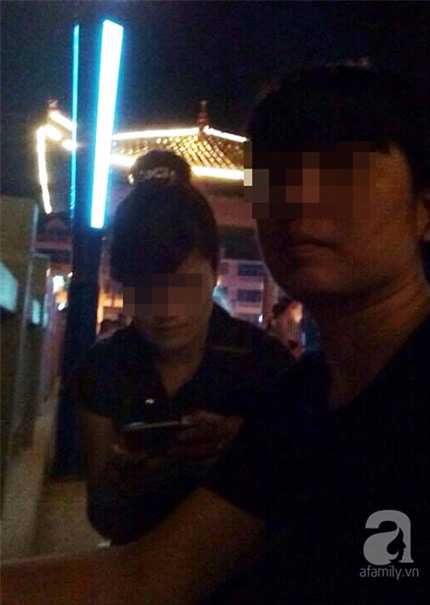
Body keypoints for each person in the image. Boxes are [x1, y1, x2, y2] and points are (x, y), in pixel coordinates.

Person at [3, 64, 430, 605]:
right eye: (274, 177)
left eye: (342, 170)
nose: (299, 198)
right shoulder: (295, 402)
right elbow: (147, 576)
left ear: (426, 211)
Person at [69, 149, 293, 545]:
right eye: (145, 288)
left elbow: (304, 506)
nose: (167, 310)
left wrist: (253, 449)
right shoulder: (102, 367)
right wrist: (120, 486)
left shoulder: (267, 365)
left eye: (184, 284)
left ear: (215, 270)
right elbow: (102, 517)